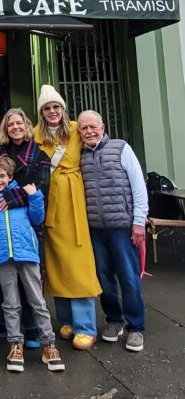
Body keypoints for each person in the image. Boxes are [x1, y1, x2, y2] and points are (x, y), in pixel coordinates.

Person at [0, 156, 65, 374]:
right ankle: (15, 344)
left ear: (10, 177)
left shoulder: (20, 195)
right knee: (10, 304)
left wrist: (35, 196)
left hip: (26, 254)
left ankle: (49, 344)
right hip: (2, 257)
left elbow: (37, 218)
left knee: (37, 301)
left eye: (2, 176)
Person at [0, 107, 51, 344]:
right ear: (5, 129)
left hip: (25, 223)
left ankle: (31, 329)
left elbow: (40, 187)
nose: (15, 127)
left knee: (29, 281)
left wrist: (10, 198)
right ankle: (1, 324)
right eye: (10, 124)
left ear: (26, 125)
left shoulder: (39, 153)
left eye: (19, 123)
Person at [34, 85, 101, 350]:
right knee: (56, 263)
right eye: (47, 108)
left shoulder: (75, 129)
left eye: (56, 107)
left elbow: (96, 138)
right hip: (50, 203)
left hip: (73, 203)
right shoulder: (36, 134)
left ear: (62, 109)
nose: (52, 112)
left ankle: (86, 325)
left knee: (78, 262)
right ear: (41, 112)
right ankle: (66, 320)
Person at [77, 110, 148, 352]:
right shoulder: (80, 156)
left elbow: (138, 186)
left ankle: (135, 327)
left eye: (93, 126)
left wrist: (139, 221)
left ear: (103, 127)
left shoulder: (121, 148)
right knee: (104, 278)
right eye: (84, 128)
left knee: (128, 276)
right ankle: (114, 320)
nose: (89, 131)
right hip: (95, 228)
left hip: (122, 225)